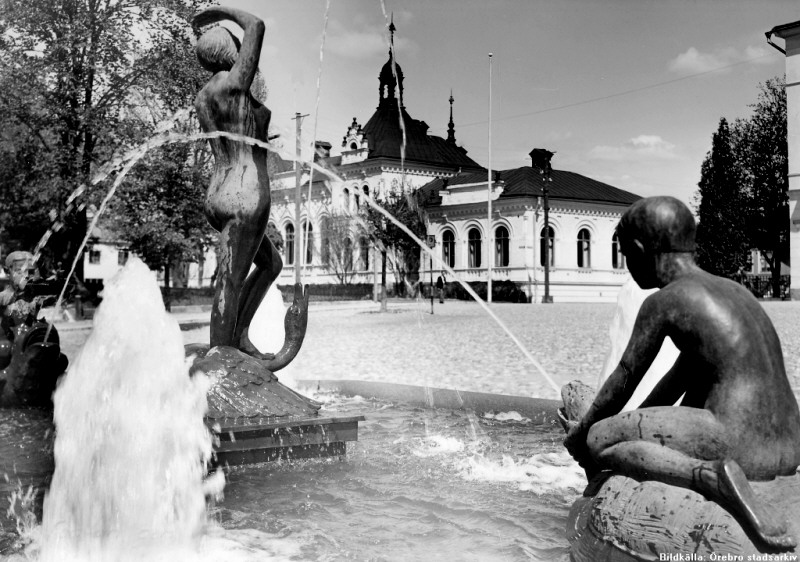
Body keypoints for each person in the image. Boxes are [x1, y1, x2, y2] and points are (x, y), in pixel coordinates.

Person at [563, 196, 800, 551]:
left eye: (627, 254)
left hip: (740, 445)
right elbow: (678, 379)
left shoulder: (664, 301)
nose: (627, 264)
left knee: (600, 440)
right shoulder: (734, 290)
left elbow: (625, 376)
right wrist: (632, 422)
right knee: (617, 432)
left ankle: (709, 477)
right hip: (790, 443)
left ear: (642, 250)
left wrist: (583, 432)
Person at [192, 7, 284, 361]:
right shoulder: (233, 84)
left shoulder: (204, 96)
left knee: (270, 264)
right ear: (229, 50)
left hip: (218, 193)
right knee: (229, 279)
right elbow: (256, 26)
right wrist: (215, 12)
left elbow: (235, 135)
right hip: (246, 194)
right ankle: (222, 359)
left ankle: (239, 336)